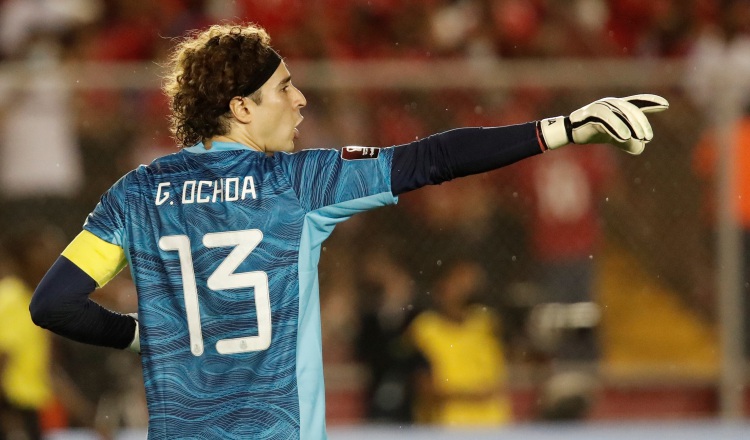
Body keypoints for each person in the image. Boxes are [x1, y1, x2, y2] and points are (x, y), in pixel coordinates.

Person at [28, 23, 668, 439]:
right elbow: (434, 158)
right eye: (285, 88)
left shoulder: (137, 194)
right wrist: (562, 129)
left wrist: (144, 336)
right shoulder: (297, 185)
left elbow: (54, 304)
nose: (302, 100)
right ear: (242, 107)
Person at [408, 258, 511, 426]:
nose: (466, 287)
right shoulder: (425, 328)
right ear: (440, 287)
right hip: (446, 428)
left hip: (492, 426)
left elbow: (499, 378)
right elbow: (424, 386)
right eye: (459, 281)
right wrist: (471, 395)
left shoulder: (487, 323)